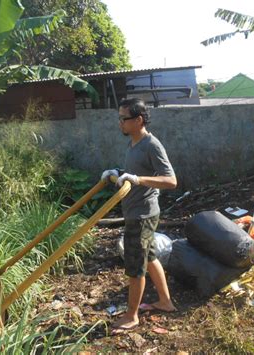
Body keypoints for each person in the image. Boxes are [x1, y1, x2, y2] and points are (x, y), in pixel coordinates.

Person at [101, 98, 177, 332]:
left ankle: (131, 316)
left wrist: (137, 180)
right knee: (150, 257)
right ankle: (165, 301)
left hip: (142, 215)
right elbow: (135, 172)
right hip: (136, 212)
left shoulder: (151, 144)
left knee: (135, 266)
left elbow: (171, 180)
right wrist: (119, 173)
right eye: (119, 118)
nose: (120, 123)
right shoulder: (134, 144)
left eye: (124, 119)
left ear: (138, 120)